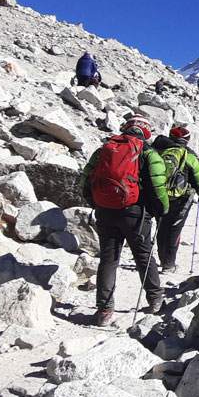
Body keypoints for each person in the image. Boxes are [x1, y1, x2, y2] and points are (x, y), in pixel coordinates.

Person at [80, 115, 169, 326]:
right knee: (144, 256)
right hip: (135, 213)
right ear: (145, 132)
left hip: (105, 211)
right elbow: (158, 186)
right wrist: (162, 209)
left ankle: (104, 311)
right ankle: (155, 299)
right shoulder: (148, 152)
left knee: (109, 260)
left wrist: (97, 204)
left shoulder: (105, 149)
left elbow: (85, 179)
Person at [152, 126, 199, 273]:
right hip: (181, 199)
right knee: (174, 229)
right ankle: (169, 264)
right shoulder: (188, 156)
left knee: (161, 226)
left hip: (160, 195)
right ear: (187, 140)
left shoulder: (158, 151)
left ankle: (162, 258)